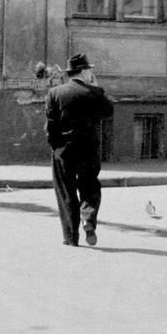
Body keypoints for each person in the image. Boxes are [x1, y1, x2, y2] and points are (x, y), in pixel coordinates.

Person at [45, 54, 114, 247]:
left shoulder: (55, 93)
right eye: (90, 69)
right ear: (83, 71)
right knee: (90, 186)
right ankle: (88, 219)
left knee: (65, 192)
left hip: (63, 150)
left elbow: (50, 126)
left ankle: (70, 237)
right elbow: (109, 111)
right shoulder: (93, 93)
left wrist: (57, 148)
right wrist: (96, 87)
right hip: (88, 149)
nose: (92, 72)